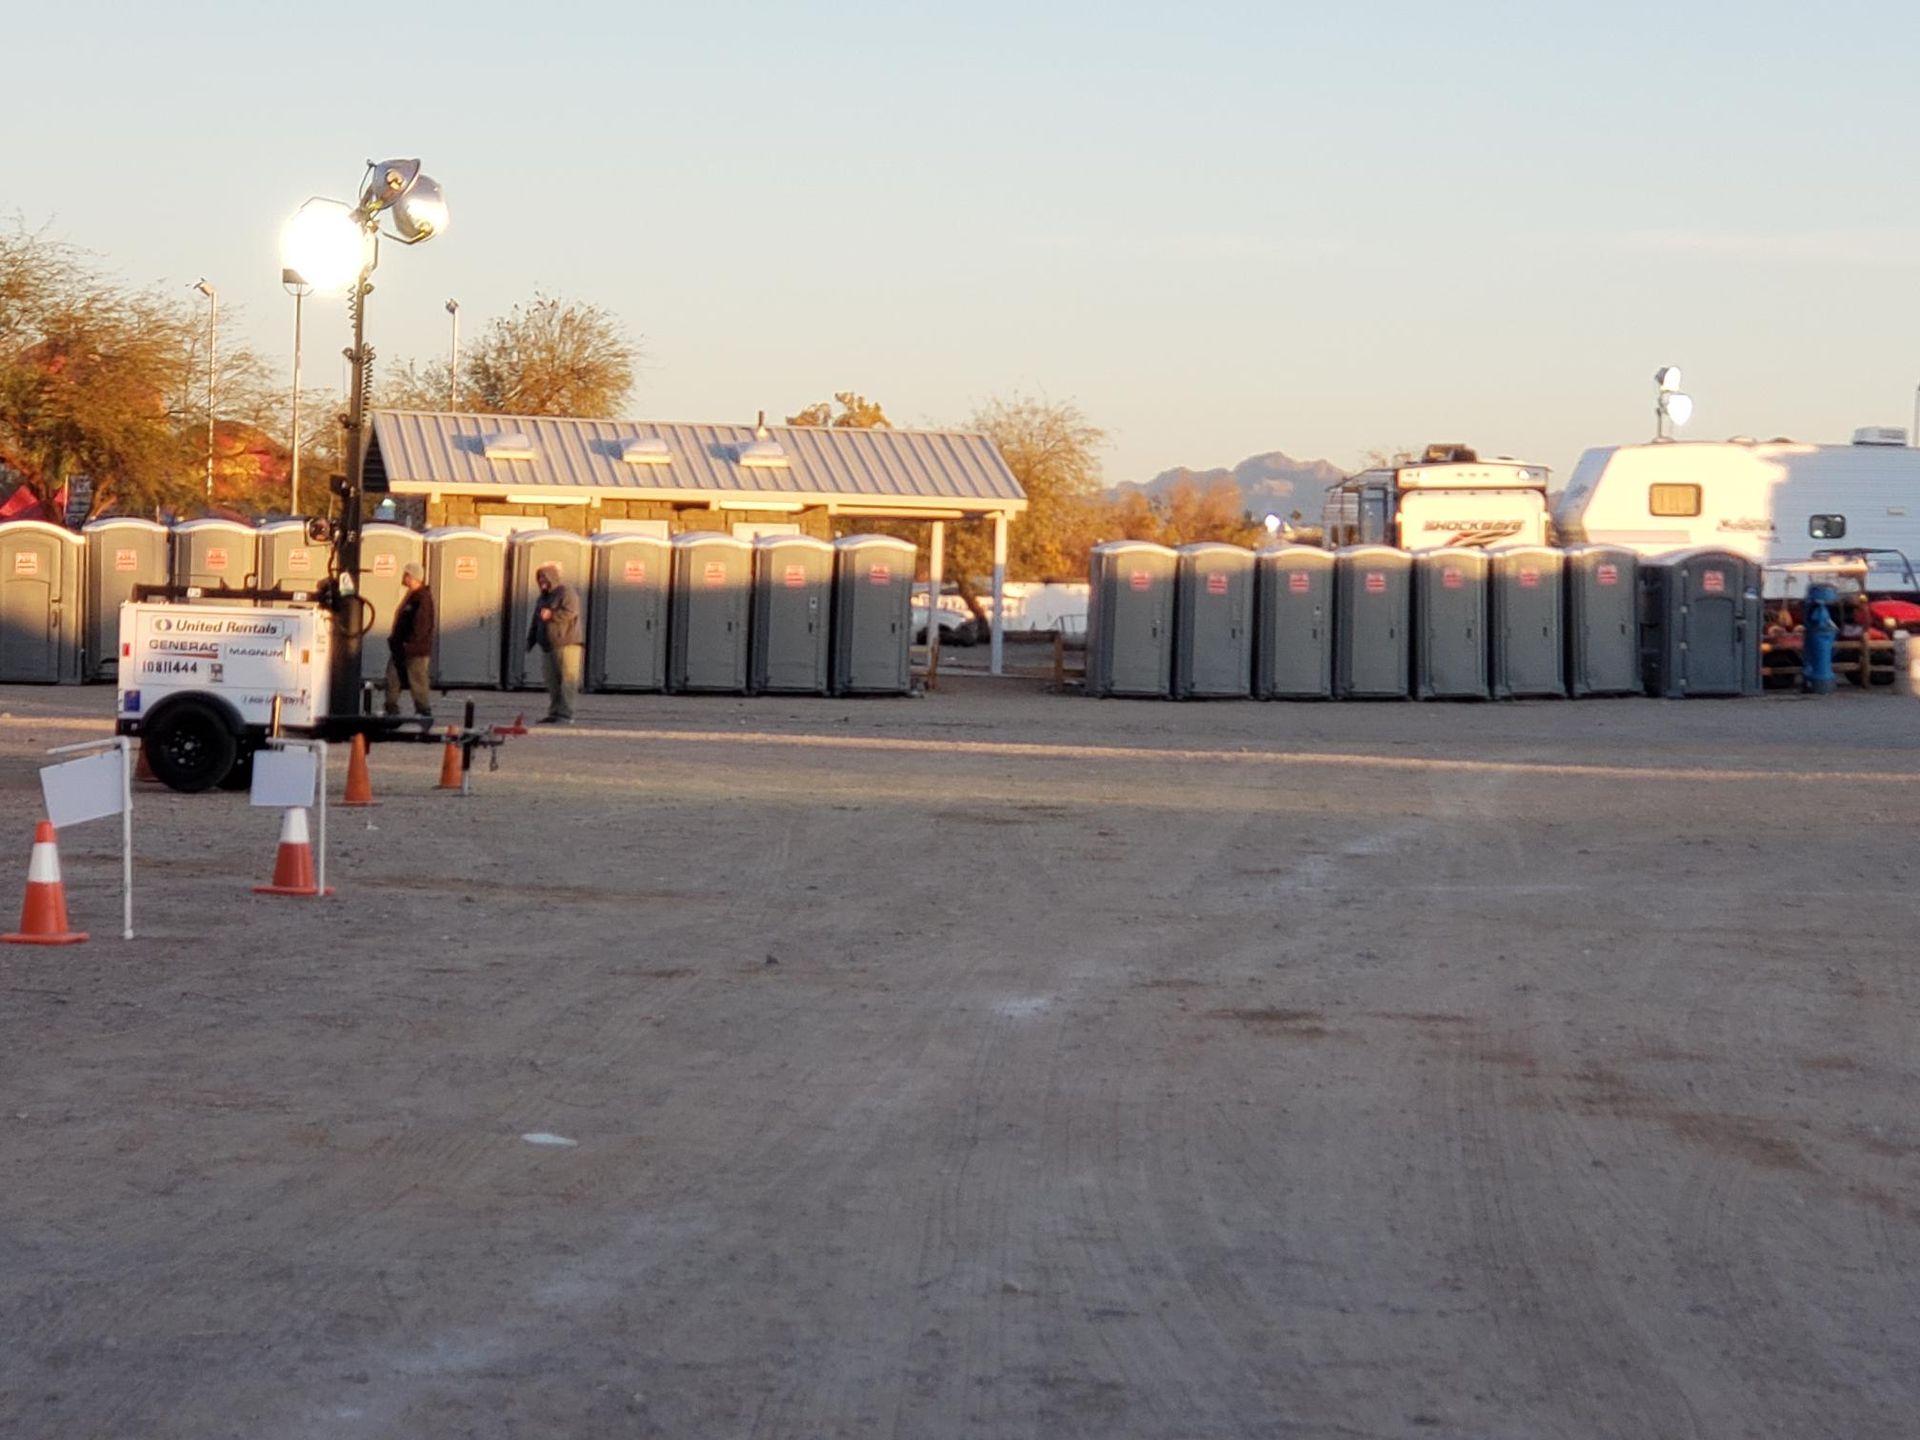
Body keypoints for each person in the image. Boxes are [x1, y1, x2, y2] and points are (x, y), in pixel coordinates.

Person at [527, 561, 583, 723]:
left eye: (544, 578)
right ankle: (554, 712)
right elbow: (536, 620)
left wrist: (552, 615)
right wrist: (531, 640)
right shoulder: (542, 598)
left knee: (568, 680)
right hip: (548, 645)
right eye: (539, 578)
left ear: (553, 577)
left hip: (567, 644)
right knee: (552, 682)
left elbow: (571, 612)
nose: (541, 582)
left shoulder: (566, 592)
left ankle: (566, 714)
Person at [383, 561, 435, 721]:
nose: (403, 577)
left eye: (406, 575)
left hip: (414, 650)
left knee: (417, 680)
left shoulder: (422, 598)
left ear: (413, 577)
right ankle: (391, 708)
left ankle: (423, 712)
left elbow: (421, 625)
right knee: (392, 678)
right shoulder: (412, 595)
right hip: (400, 649)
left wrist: (409, 642)